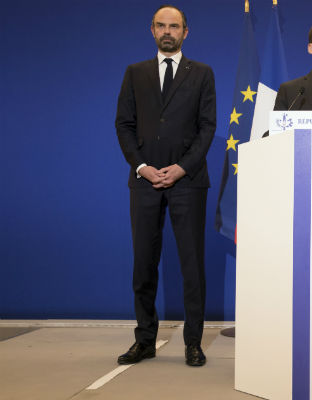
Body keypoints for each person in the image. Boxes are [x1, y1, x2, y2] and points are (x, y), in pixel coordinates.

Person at [115, 5, 216, 367]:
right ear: (152, 30)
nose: (168, 31)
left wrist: (181, 168)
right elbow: (123, 125)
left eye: (175, 26)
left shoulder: (202, 73)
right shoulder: (134, 73)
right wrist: (142, 167)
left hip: (188, 182)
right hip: (144, 183)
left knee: (192, 266)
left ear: (186, 32)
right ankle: (144, 341)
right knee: (143, 263)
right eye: (161, 25)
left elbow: (208, 127)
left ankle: (193, 343)